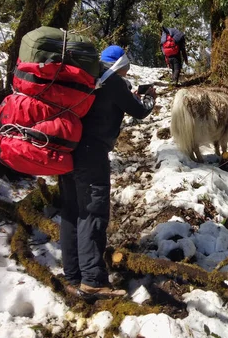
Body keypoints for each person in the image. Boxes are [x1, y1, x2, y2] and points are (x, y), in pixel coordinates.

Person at [59, 45, 156, 300]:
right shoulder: (112, 80)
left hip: (67, 148)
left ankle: (73, 276)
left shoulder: (88, 75)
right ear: (120, 64)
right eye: (127, 66)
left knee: (71, 212)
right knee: (92, 213)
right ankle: (92, 281)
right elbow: (140, 110)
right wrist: (149, 97)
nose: (128, 71)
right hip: (91, 155)